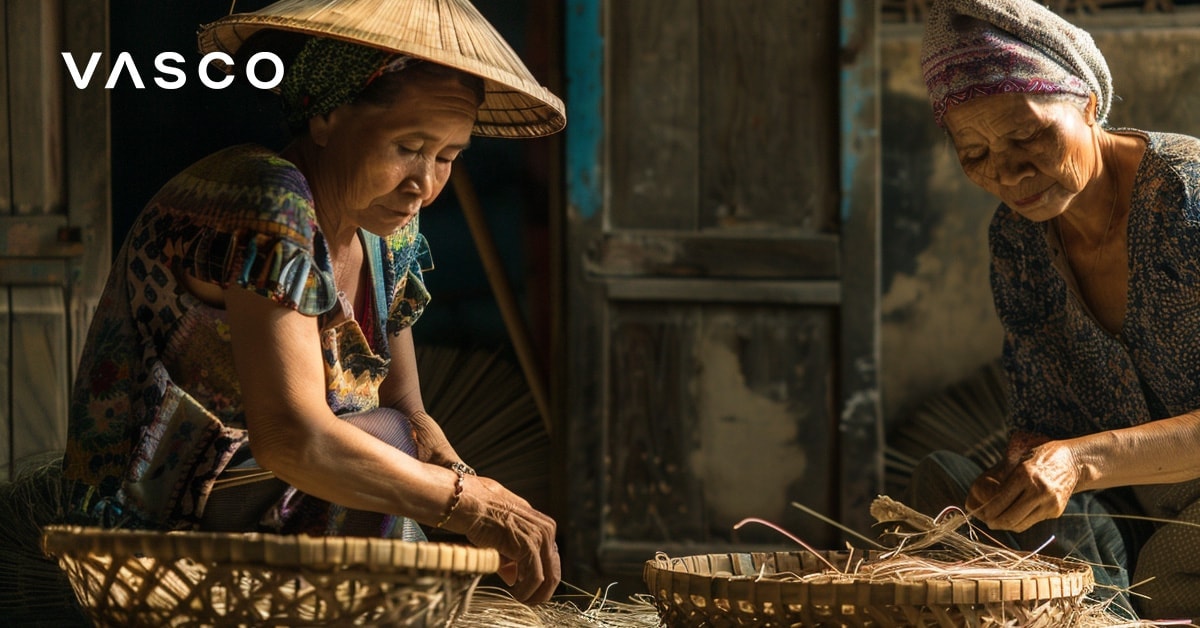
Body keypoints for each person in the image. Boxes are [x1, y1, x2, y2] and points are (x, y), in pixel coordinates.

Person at [59, 0, 564, 604]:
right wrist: (467, 506)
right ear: (324, 117)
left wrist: (474, 489)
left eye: (448, 157)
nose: (424, 186)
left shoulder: (389, 230)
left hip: (277, 498)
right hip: (151, 517)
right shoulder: (267, 200)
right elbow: (294, 438)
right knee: (386, 447)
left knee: (397, 439)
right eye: (408, 146)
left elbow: (408, 411)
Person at [909, 0, 1200, 619]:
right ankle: (1103, 607)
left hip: (1178, 527)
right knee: (946, 489)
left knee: (1170, 568)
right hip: (1131, 506)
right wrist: (1018, 475)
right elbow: (1046, 421)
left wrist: (1081, 461)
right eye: (976, 154)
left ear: (1087, 103)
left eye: (1027, 135)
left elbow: (1079, 456)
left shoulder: (1185, 195)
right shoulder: (1018, 242)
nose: (1010, 173)